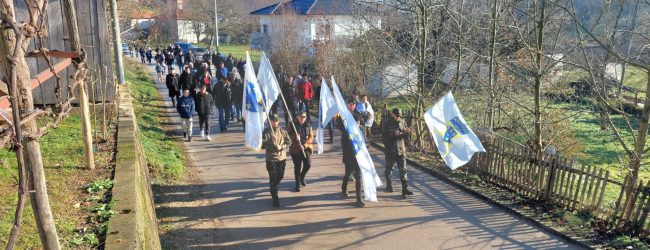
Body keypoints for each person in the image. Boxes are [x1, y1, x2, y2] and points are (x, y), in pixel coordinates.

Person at [338, 98, 366, 207]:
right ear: (347, 105)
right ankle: (344, 187)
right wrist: (346, 126)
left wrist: (360, 126)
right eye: (350, 104)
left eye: (353, 105)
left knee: (358, 175)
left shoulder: (358, 115)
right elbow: (338, 126)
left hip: (357, 149)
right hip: (348, 148)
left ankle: (358, 199)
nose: (352, 106)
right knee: (348, 172)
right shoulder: (343, 115)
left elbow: (364, 127)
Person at [261, 113, 292, 207]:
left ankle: (273, 185)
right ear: (270, 121)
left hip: (282, 158)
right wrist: (271, 141)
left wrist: (281, 147)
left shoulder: (283, 131)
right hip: (271, 160)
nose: (275, 122)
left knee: (280, 176)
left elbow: (289, 142)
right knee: (274, 178)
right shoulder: (266, 132)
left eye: (276, 120)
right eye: (273, 120)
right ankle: (275, 198)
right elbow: (262, 145)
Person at [382, 108, 413, 196]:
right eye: (396, 116)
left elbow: (406, 137)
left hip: (401, 149)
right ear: (393, 115)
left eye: (399, 116)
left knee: (403, 169)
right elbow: (384, 138)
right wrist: (393, 135)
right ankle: (389, 184)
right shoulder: (387, 123)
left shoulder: (403, 122)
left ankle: (405, 188)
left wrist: (407, 133)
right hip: (390, 149)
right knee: (389, 168)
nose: (398, 118)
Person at [289, 111, 313, 192]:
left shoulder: (308, 125)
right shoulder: (292, 124)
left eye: (304, 117)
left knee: (308, 164)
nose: (303, 118)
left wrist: (305, 145)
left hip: (305, 148)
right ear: (297, 117)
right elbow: (287, 135)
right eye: (301, 117)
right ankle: (297, 182)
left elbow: (311, 137)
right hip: (295, 149)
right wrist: (295, 137)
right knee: (297, 166)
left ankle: (301, 177)